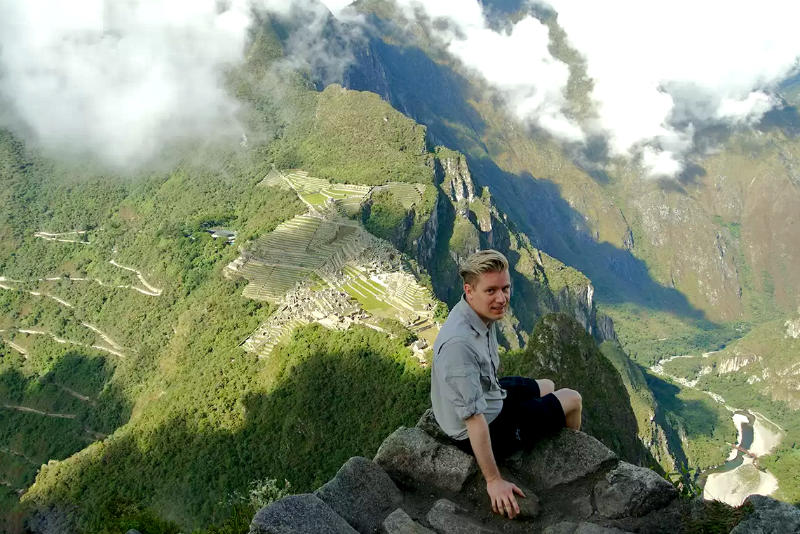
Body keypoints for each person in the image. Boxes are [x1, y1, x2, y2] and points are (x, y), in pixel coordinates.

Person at [431, 249, 583, 520]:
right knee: (572, 399)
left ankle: (547, 419)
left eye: (505, 288)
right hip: (486, 427)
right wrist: (493, 481)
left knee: (548, 385)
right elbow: (474, 420)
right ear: (470, 290)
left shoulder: (472, 312)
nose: (502, 299)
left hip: (492, 394)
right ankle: (571, 457)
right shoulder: (459, 346)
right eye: (491, 291)